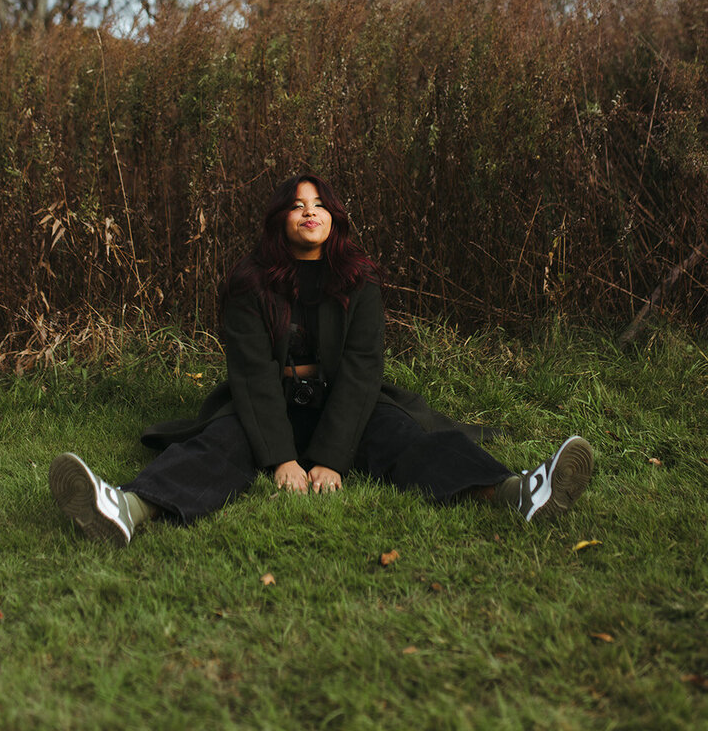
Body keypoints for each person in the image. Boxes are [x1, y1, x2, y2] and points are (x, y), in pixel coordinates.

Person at [49, 174, 594, 546]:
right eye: (297, 205)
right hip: (271, 405)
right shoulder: (248, 284)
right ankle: (125, 509)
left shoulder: (359, 283)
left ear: (333, 217)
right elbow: (252, 374)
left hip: (344, 403)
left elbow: (362, 370)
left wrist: (331, 457)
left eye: (319, 205)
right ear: (279, 220)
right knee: (218, 447)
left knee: (408, 439)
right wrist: (283, 457)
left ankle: (517, 492)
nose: (310, 212)